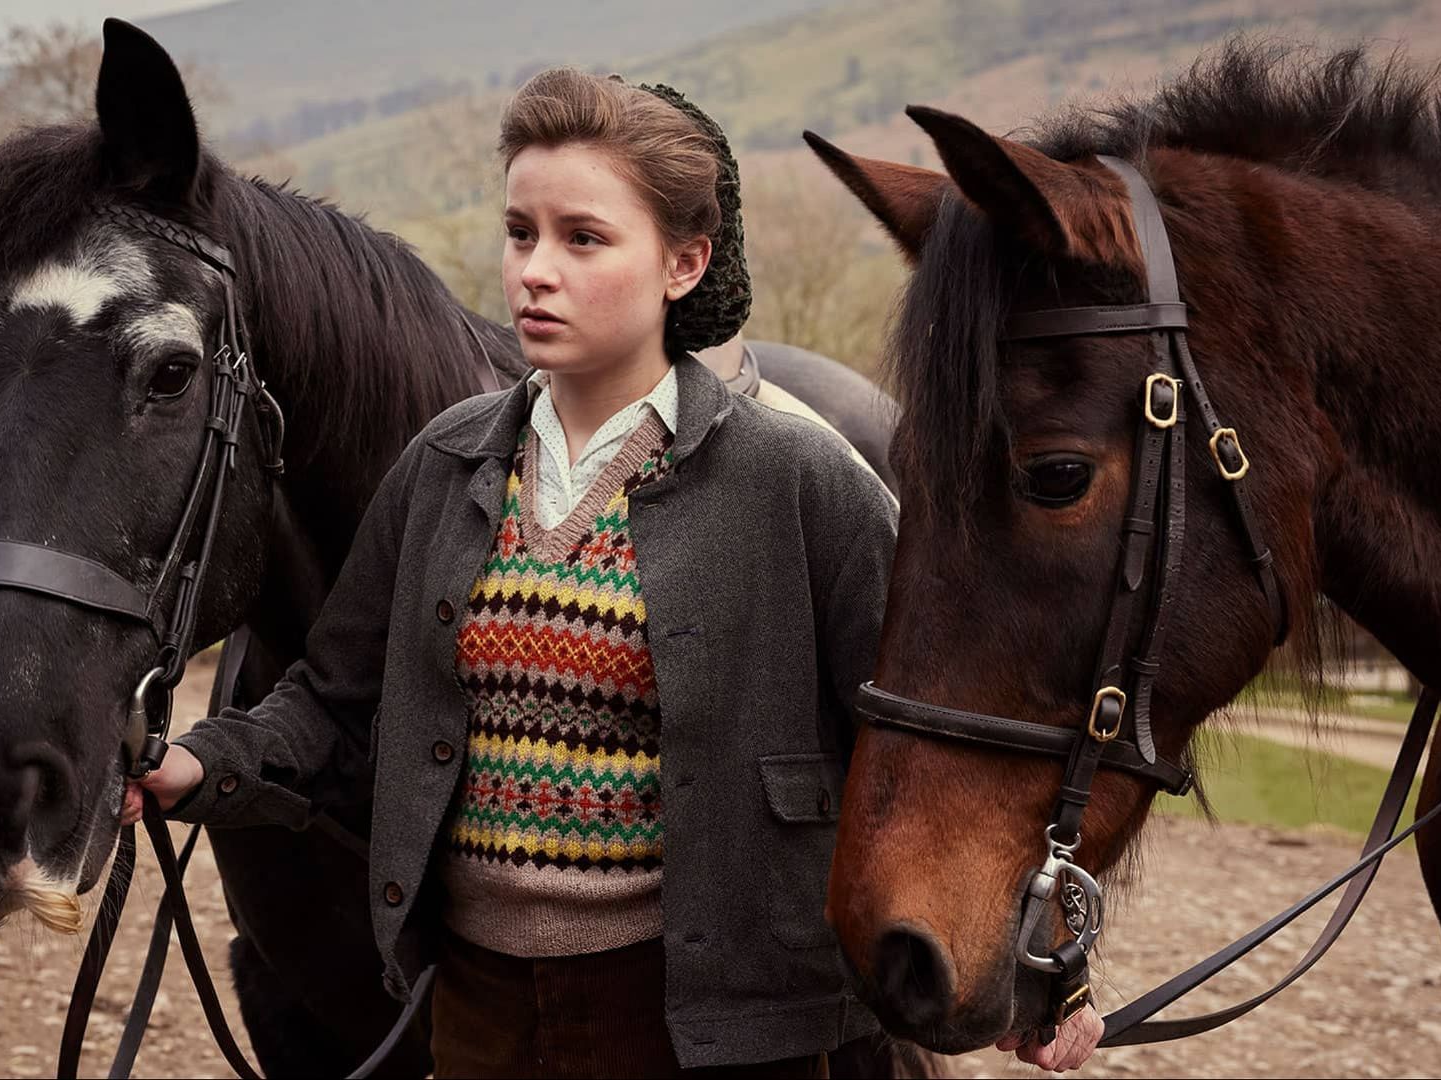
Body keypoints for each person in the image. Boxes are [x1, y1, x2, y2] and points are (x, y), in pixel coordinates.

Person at [125, 67, 1102, 1077]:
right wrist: (196, 765)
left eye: (582, 238)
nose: (534, 272)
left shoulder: (800, 482)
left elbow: (929, 750)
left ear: (682, 264)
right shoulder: (444, 465)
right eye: (520, 233)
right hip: (480, 1014)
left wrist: (1041, 973)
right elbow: (332, 704)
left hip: (712, 1031)